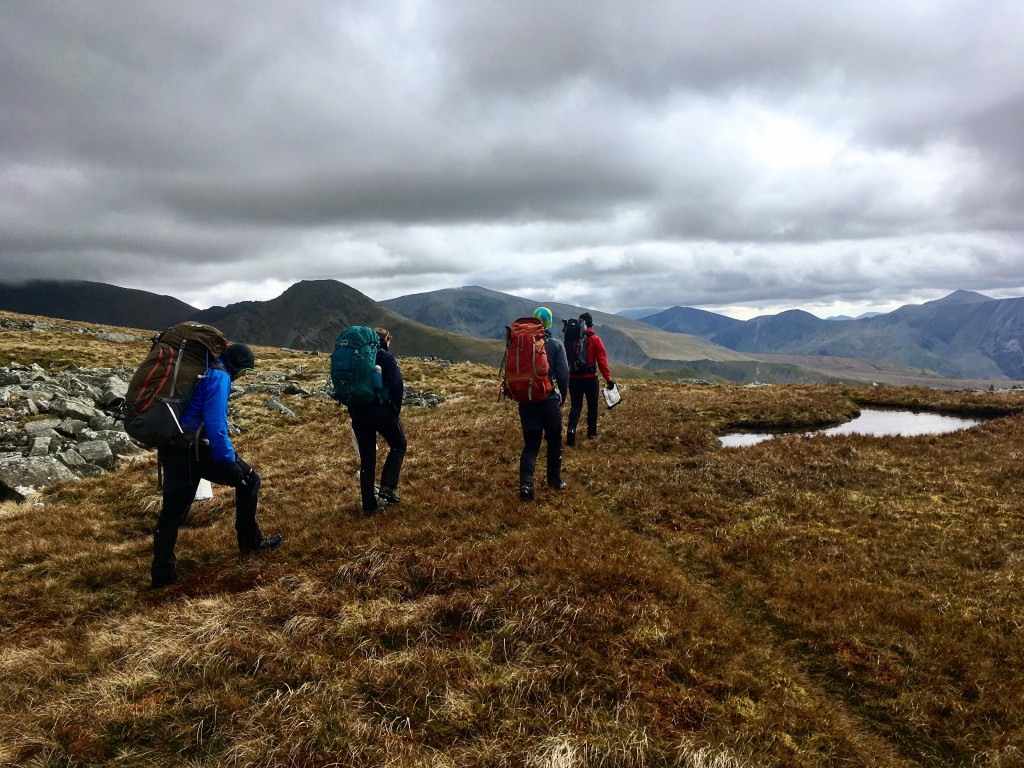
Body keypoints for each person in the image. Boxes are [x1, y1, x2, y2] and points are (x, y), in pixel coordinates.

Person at [151, 342, 283, 588]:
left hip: (173, 447)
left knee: (173, 511)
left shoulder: (206, 371)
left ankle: (162, 574)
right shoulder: (219, 377)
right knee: (249, 480)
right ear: (238, 365)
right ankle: (250, 543)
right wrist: (229, 461)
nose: (243, 377)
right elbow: (216, 425)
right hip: (195, 449)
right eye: (245, 371)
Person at [348, 327, 406, 516]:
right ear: (386, 339)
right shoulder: (386, 358)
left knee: (367, 460)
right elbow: (397, 386)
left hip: (359, 415)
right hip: (382, 413)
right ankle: (387, 487)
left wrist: (354, 412)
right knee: (398, 444)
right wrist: (394, 411)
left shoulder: (354, 357)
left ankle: (369, 507)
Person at [517, 307, 570, 500]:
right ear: (548, 323)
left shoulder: (521, 344)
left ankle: (526, 486)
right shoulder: (555, 345)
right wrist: (562, 396)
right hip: (548, 401)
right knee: (554, 441)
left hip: (526, 400)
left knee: (531, 445)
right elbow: (563, 375)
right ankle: (554, 482)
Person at [566, 311, 615, 446]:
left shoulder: (572, 338)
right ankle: (592, 433)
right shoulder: (595, 339)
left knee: (575, 406)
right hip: (590, 380)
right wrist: (608, 379)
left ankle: (571, 430)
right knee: (592, 406)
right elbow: (602, 361)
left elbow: (567, 358)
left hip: (574, 378)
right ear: (590, 324)